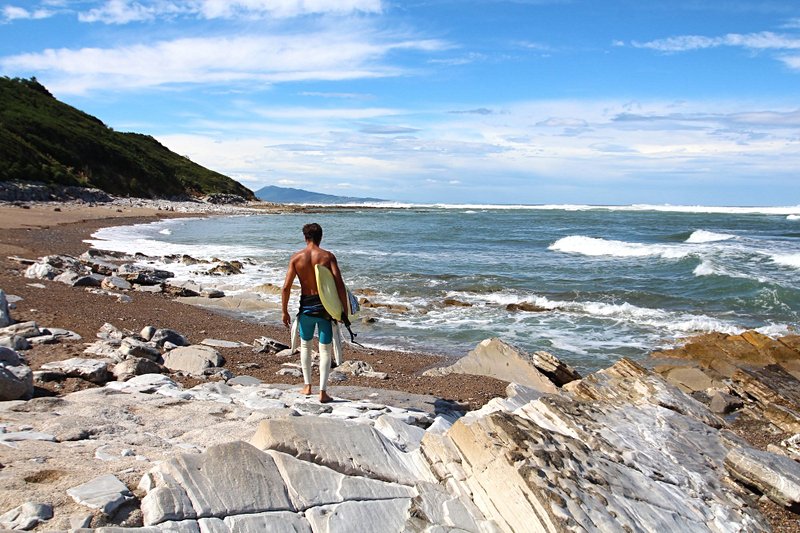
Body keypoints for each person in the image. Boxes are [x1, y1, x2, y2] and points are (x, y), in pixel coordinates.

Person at [281, 223, 348, 403]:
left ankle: (307, 386)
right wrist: (345, 311)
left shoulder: (296, 258)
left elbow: (286, 287)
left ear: (305, 238)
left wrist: (284, 311)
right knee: (325, 350)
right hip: (325, 310)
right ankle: (323, 392)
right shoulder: (327, 256)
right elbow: (339, 285)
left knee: (305, 346)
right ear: (321, 237)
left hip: (306, 310)